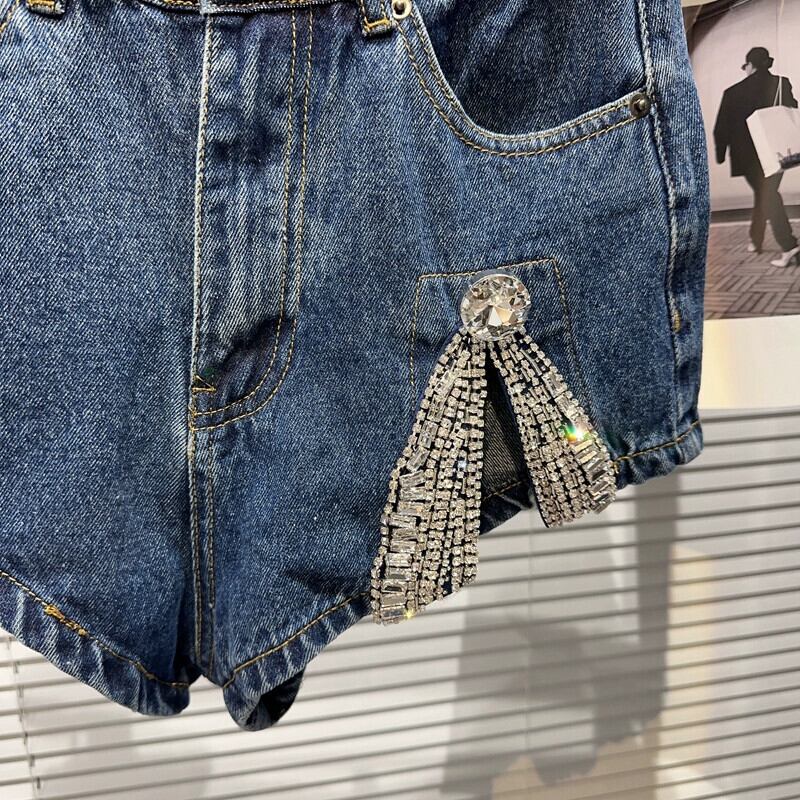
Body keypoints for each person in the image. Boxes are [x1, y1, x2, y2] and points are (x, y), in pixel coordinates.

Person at [713, 46, 799, 267]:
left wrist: (721, 154)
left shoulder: (732, 92)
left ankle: (789, 246)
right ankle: (756, 239)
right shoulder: (781, 83)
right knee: (766, 193)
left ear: (750, 65)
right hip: (776, 153)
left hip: (747, 157)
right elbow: (793, 109)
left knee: (767, 194)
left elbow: (721, 128)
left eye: (745, 66)